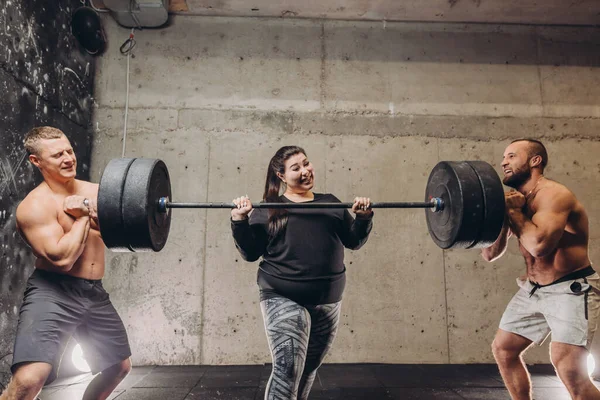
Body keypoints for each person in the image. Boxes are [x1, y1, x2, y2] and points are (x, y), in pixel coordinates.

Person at [230, 145, 373, 400]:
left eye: (306, 163)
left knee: (308, 368)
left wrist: (362, 218)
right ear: (282, 176)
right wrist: (239, 221)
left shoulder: (331, 203)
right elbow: (250, 253)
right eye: (296, 168)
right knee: (287, 370)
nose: (305, 171)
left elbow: (354, 241)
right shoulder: (269, 208)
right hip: (282, 295)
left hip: (328, 300)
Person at [0, 127, 132, 400]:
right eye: (57, 154)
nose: (68, 158)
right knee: (29, 379)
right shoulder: (35, 206)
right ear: (36, 161)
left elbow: (120, 235)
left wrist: (103, 216)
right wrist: (84, 217)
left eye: (69, 150)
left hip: (94, 292)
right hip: (53, 292)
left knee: (118, 367)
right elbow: (63, 258)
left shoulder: (96, 191)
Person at [482, 138, 600, 400]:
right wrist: (502, 218)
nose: (503, 162)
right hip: (534, 289)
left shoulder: (555, 195)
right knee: (504, 349)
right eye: (504, 157)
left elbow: (539, 246)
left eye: (512, 156)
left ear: (535, 161)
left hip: (570, 289)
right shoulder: (515, 202)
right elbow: (490, 253)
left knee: (570, 368)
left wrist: (514, 213)